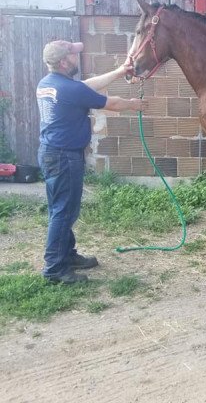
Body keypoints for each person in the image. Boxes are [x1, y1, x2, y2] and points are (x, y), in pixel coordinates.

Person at [37, 40, 144, 284]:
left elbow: (85, 87)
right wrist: (133, 105)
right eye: (73, 55)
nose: (77, 57)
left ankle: (68, 255)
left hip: (51, 152)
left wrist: (118, 72)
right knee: (64, 212)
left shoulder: (49, 84)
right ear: (64, 62)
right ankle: (54, 269)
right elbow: (111, 103)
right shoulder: (70, 90)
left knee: (60, 209)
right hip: (65, 156)